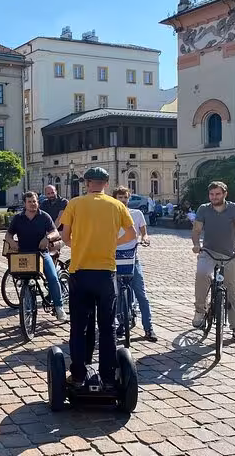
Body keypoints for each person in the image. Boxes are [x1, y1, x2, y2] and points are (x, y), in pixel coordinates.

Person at [61, 167, 136, 390]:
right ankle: (109, 377)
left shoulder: (75, 203)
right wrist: (112, 244)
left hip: (80, 272)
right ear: (106, 183)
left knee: (79, 326)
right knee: (107, 326)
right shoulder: (117, 205)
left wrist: (81, 245)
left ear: (86, 183)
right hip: (105, 273)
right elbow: (132, 234)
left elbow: (65, 237)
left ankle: (78, 375)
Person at [191, 181, 235, 344]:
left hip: (229, 254)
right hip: (208, 252)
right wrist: (197, 245)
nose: (214, 197)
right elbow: (197, 230)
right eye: (212, 194)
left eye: (218, 194)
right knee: (202, 274)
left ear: (225, 194)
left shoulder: (234, 208)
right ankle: (200, 310)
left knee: (231, 292)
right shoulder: (204, 209)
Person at [4, 191, 66, 321]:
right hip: (24, 253)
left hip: (41, 253)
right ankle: (26, 296)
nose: (33, 204)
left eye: (35, 201)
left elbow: (55, 232)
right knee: (19, 276)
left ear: (38, 202)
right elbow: (8, 235)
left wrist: (47, 238)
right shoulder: (18, 218)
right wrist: (11, 242)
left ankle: (59, 307)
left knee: (53, 278)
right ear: (24, 204)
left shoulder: (44, 216)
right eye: (30, 202)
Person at [112, 186, 157, 342]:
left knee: (141, 293)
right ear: (114, 199)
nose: (123, 200)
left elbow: (144, 232)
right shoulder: (109, 216)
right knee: (115, 294)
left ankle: (148, 327)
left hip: (132, 257)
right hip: (114, 259)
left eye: (125, 197)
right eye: (120, 198)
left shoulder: (136, 214)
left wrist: (145, 239)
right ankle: (120, 323)